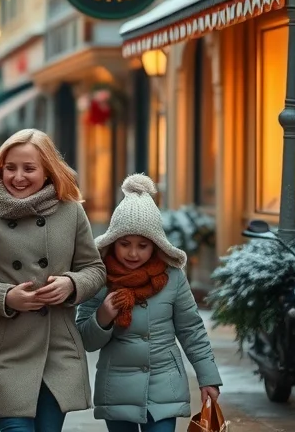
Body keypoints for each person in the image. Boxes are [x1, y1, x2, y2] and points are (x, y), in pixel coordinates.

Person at [0, 128, 106, 432]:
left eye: (29, 168)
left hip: (58, 350)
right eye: (10, 168)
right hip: (5, 351)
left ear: (47, 170)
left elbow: (94, 269)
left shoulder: (72, 213)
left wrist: (71, 284)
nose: (18, 177)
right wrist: (6, 297)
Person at [76, 174, 222, 432]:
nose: (133, 253)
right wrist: (103, 316)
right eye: (125, 244)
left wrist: (207, 378)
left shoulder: (173, 277)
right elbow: (85, 340)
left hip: (165, 387)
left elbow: (191, 330)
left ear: (155, 245)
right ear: (113, 242)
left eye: (143, 245)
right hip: (117, 390)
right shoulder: (100, 277)